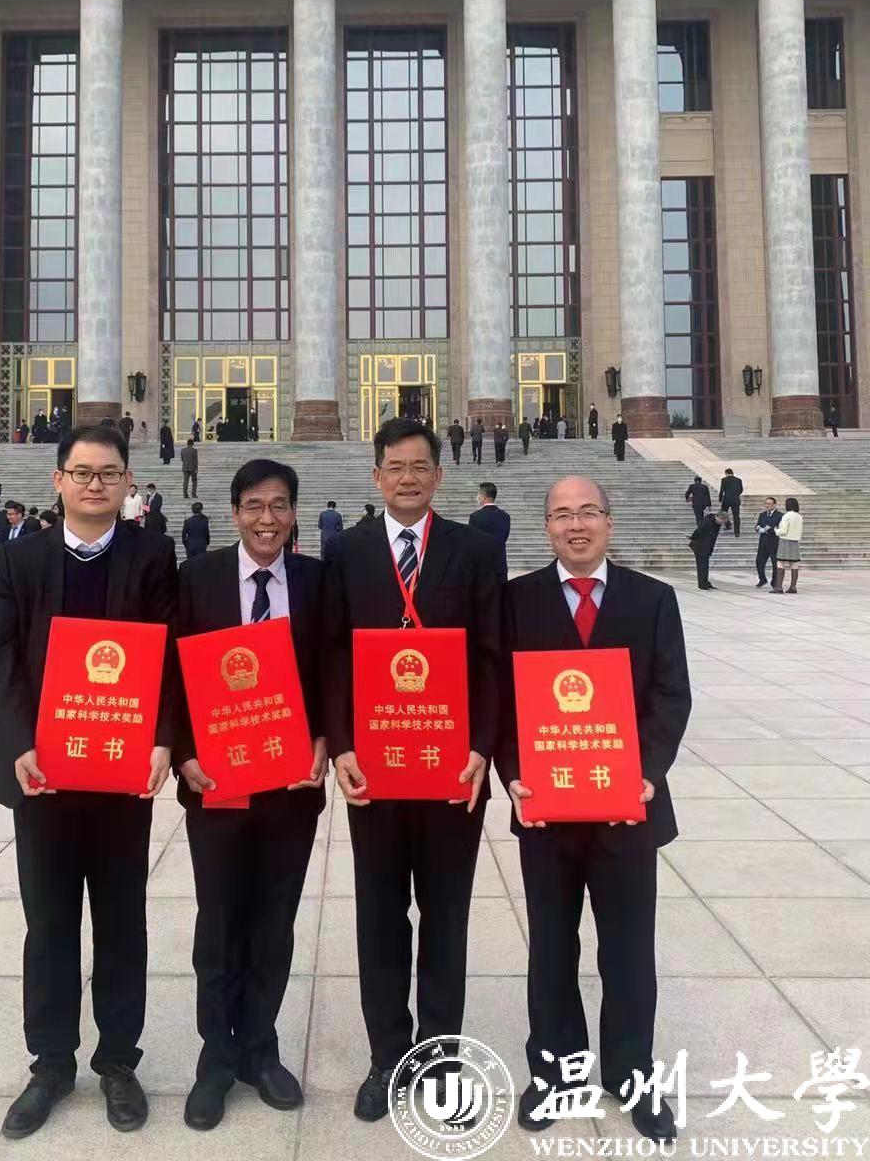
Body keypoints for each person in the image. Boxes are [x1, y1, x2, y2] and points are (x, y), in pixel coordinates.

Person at [0, 424, 178, 1142]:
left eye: (109, 473)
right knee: (50, 922)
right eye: (83, 472)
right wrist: (21, 740)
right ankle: (51, 1064)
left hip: (121, 773)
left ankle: (119, 1061)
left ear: (128, 483)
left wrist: (164, 737)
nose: (96, 485)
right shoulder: (22, 556)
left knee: (122, 920)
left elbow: (170, 652)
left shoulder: (152, 555)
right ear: (58, 480)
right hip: (45, 774)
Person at [500, 475, 691, 1143]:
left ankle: (632, 1076)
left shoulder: (652, 598)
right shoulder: (516, 601)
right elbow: (501, 698)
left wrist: (646, 771)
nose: (575, 525)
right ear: (546, 528)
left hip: (626, 810)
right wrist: (514, 773)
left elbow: (671, 694)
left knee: (629, 952)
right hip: (547, 811)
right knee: (551, 949)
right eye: (562, 515)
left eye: (587, 512)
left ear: (609, 521)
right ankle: (554, 1074)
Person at [323, 418, 499, 1122]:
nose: (407, 478)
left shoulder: (475, 549)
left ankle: (440, 1054)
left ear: (438, 475)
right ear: (376, 477)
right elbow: (332, 652)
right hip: (376, 768)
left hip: (452, 769)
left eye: (419, 466)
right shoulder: (347, 550)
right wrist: (340, 744)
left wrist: (482, 747)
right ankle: (386, 1056)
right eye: (394, 467)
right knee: (380, 916)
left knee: (447, 915)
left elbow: (493, 655)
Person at [171, 457, 326, 1130]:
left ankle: (261, 1047)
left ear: (294, 513)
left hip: (290, 787)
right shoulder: (196, 579)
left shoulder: (317, 581)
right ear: (234, 513)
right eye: (256, 506)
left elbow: (335, 668)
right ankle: (216, 1057)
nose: (268, 519)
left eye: (280, 505)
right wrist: (182, 753)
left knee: (273, 920)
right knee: (219, 920)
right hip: (218, 783)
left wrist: (327, 740)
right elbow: (169, 673)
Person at [468, 482, 511, 581]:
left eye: (479, 494)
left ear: (482, 497)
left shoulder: (475, 517)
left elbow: (472, 541)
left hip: (481, 567)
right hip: (500, 566)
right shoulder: (505, 516)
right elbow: (504, 537)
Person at [689, 509, 724, 590]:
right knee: (702, 566)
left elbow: (713, 537)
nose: (722, 523)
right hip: (700, 547)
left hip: (707, 547)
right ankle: (702, 584)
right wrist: (693, 537)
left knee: (705, 566)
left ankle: (705, 582)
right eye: (721, 521)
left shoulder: (716, 523)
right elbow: (698, 530)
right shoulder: (707, 522)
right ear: (718, 517)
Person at [774, 498, 804, 594]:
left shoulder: (786, 515)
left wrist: (776, 530)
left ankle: (779, 587)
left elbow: (783, 530)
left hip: (785, 540)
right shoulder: (799, 516)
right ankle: (793, 587)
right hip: (795, 541)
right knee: (794, 563)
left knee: (780, 562)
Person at [754, 497, 783, 589]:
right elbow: (758, 524)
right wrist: (757, 528)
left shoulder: (780, 515)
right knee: (759, 561)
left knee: (775, 563)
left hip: (774, 542)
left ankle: (774, 582)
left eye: (769, 504)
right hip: (763, 541)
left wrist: (771, 529)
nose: (767, 505)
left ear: (774, 505)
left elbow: (780, 528)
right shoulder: (762, 515)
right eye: (766, 503)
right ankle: (762, 579)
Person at [718, 468, 744, 536]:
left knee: (723, 513)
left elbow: (722, 490)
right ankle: (737, 532)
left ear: (726, 473)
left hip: (727, 499)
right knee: (736, 516)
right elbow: (741, 490)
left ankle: (728, 524)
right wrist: (736, 495)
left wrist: (720, 499)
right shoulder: (738, 480)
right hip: (736, 500)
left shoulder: (724, 480)